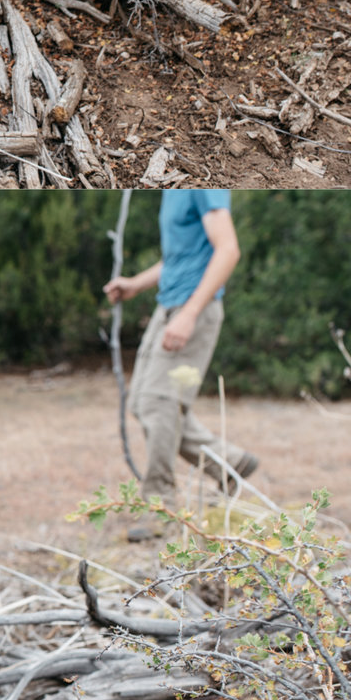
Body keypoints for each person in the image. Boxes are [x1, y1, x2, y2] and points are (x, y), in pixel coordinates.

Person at [101, 189, 259, 501]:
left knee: (160, 405)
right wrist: (136, 284)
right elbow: (179, 258)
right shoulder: (172, 190)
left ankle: (161, 501)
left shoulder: (203, 187)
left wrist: (189, 314)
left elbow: (228, 250)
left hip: (192, 308)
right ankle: (229, 463)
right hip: (168, 307)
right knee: (143, 404)